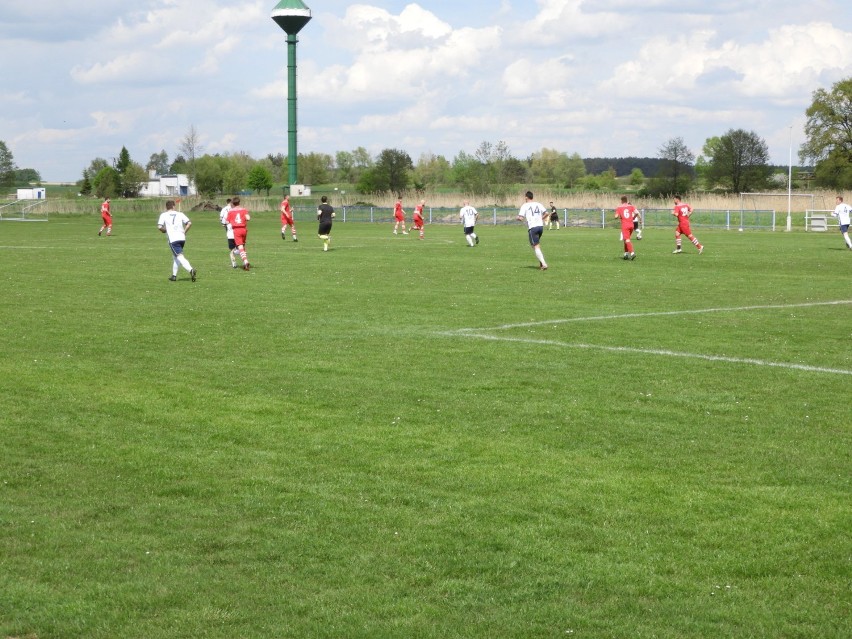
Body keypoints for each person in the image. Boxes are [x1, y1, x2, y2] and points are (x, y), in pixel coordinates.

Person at [157, 200, 196, 282]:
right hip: (182, 238)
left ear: (166, 207)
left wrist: (165, 230)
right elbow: (189, 223)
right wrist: (184, 232)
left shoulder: (163, 215)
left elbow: (159, 227)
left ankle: (191, 270)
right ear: (173, 206)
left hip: (173, 239)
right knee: (176, 256)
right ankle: (174, 276)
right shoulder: (180, 214)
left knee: (179, 256)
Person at [517, 191, 548, 270]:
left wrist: (518, 218)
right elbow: (547, 213)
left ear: (526, 197)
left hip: (533, 227)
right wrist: (541, 219)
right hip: (540, 227)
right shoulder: (538, 204)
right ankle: (541, 262)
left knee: (535, 246)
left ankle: (544, 264)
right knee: (536, 245)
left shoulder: (525, 205)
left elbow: (521, 218)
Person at [226, 196, 251, 270]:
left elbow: (227, 222)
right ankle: (244, 262)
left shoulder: (231, 211)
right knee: (242, 246)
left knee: (240, 247)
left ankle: (245, 261)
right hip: (244, 229)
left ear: (233, 203)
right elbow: (248, 218)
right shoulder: (244, 210)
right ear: (239, 202)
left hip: (236, 230)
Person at [219, 198, 240, 268]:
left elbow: (221, 217)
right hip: (237, 229)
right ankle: (242, 259)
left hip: (228, 228)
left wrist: (223, 224)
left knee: (231, 248)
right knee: (239, 247)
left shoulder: (224, 209)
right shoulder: (235, 209)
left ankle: (234, 263)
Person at [615, 195, 637, 260]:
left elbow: (616, 216)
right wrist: (633, 218)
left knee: (627, 240)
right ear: (627, 200)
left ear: (621, 201)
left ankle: (632, 253)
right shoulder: (631, 206)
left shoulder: (619, 207)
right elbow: (637, 213)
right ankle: (626, 254)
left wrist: (616, 216)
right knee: (626, 239)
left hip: (625, 226)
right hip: (631, 225)